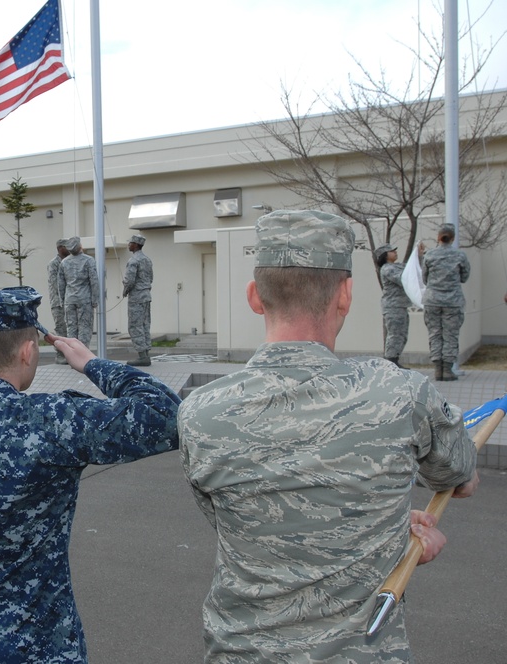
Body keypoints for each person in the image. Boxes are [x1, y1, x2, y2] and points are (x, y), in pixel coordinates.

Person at [178, 209, 479, 662]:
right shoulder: (401, 395)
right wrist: (387, 524)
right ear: (346, 295)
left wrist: (387, 524)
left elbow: (245, 526)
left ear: (255, 297)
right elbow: (460, 478)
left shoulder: (200, 413)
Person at [0, 286, 181, 663]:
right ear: (27, 351)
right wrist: (92, 364)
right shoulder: (53, 421)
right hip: (43, 647)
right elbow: (167, 417)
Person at [422, 223, 471, 381]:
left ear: (439, 237)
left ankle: (437, 369)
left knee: (435, 334)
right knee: (450, 335)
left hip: (432, 300)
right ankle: (447, 370)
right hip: (453, 301)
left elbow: (425, 278)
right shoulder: (460, 256)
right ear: (453, 238)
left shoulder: (429, 255)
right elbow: (464, 277)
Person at [374, 243, 412, 367]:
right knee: (395, 335)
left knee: (401, 335)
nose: (395, 252)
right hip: (393, 307)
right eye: (392, 251)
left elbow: (410, 268)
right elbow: (404, 278)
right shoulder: (388, 269)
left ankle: (394, 360)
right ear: (385, 255)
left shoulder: (395, 267)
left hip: (399, 306)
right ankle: (391, 362)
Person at [57, 236, 99, 347]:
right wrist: (95, 300)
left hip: (69, 299)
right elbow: (94, 281)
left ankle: (73, 357)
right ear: (80, 246)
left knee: (71, 328)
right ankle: (83, 357)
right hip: (84, 299)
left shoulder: (64, 262)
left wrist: (62, 300)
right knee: (85, 328)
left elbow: (61, 284)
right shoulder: (89, 260)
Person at [122, 233, 153, 366]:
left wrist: (125, 290)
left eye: (130, 243)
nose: (128, 245)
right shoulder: (147, 259)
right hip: (146, 295)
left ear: (135, 245)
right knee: (145, 324)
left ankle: (142, 355)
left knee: (135, 325)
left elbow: (130, 280)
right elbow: (151, 278)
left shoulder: (134, 260)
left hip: (136, 297)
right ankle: (146, 353)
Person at [47, 238, 70, 364]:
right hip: (58, 302)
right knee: (61, 328)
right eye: (65, 247)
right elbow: (55, 284)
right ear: (60, 248)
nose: (68, 249)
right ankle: (60, 355)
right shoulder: (54, 263)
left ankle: (68, 353)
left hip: (68, 300)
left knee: (69, 328)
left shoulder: (68, 261)